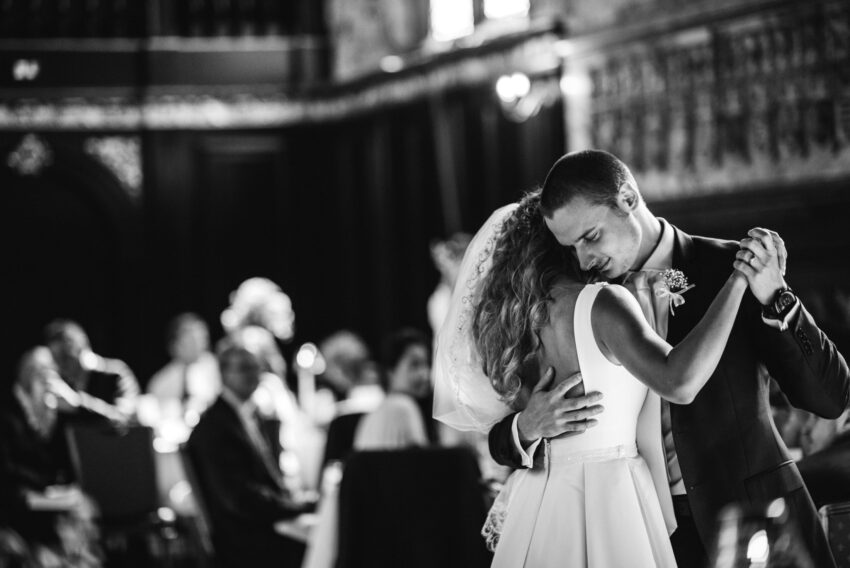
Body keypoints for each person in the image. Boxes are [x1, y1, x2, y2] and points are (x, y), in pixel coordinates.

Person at [462, 150, 849, 567]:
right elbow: (503, 436)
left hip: (752, 517)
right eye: (570, 247)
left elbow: (830, 399)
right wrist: (526, 426)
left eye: (590, 237)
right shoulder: (576, 303)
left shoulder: (728, 267)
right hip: (645, 532)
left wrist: (778, 298)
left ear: (628, 199)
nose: (584, 259)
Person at [186, 332, 314, 568]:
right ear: (224, 374)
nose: (254, 376)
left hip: (254, 528)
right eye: (245, 369)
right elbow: (240, 498)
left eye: (256, 368)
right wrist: (297, 507)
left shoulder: (248, 416)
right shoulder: (214, 427)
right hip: (244, 542)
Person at [0, 347, 101, 567]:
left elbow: (93, 432)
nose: (49, 382)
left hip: (42, 504)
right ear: (30, 377)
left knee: (85, 510)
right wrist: (53, 496)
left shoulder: (50, 415)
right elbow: (10, 481)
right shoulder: (9, 418)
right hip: (16, 511)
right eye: (43, 375)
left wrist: (72, 404)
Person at [44, 320, 139, 421]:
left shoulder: (117, 373)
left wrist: (76, 401)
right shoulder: (63, 381)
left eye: (63, 358)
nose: (60, 367)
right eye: (55, 360)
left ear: (78, 348)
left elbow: (123, 420)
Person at [354, 328, 432, 450]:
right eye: (415, 364)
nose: (425, 374)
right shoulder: (405, 407)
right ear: (390, 371)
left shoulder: (370, 417)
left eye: (426, 364)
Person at [146, 313, 221, 425]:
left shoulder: (219, 369)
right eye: (191, 340)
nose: (199, 345)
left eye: (202, 339)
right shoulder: (161, 382)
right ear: (174, 346)